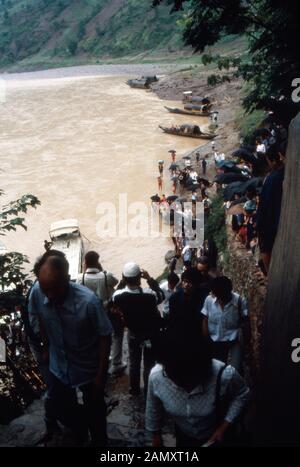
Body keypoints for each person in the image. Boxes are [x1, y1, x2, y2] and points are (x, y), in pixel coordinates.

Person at [29, 251, 113, 446]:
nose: (49, 295)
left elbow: (105, 336)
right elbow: (40, 317)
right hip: (59, 366)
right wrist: (46, 346)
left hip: (88, 368)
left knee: (96, 415)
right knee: (65, 410)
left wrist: (101, 375)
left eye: (54, 289)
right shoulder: (37, 292)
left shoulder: (89, 302)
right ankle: (79, 431)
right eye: (45, 289)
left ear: (67, 279)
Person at [146, 329, 250, 447]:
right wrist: (156, 436)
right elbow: (153, 408)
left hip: (217, 437)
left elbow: (243, 394)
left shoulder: (223, 375)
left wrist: (224, 426)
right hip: (184, 437)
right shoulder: (157, 377)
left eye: (187, 381)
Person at [112, 263, 163, 396]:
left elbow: (116, 294)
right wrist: (149, 278)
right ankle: (148, 390)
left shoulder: (118, 296)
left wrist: (123, 281)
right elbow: (161, 295)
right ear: (139, 278)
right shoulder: (150, 295)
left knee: (134, 362)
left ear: (124, 277)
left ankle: (134, 389)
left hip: (133, 333)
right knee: (149, 363)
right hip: (150, 334)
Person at [77, 251, 125, 375]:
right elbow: (115, 282)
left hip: (89, 314)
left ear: (86, 262)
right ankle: (116, 363)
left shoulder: (80, 278)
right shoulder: (106, 276)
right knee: (115, 335)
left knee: (95, 337)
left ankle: (100, 361)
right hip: (107, 311)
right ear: (98, 262)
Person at [201, 277, 248, 372]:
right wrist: (206, 338)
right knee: (217, 372)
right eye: (218, 297)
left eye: (222, 297)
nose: (220, 301)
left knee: (234, 371)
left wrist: (246, 342)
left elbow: (246, 321)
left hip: (233, 343)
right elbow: (205, 319)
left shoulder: (239, 301)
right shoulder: (209, 300)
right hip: (214, 343)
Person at [256, 144, 285, 273]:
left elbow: (267, 203)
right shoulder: (285, 173)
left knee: (265, 248)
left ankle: (270, 275)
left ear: (274, 160)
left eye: (269, 161)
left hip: (270, 222)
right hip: (276, 218)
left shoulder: (273, 178)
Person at [167, 268, 206, 337]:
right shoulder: (174, 299)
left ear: (196, 284)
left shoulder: (204, 297)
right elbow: (172, 321)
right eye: (184, 281)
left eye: (189, 282)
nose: (186, 285)